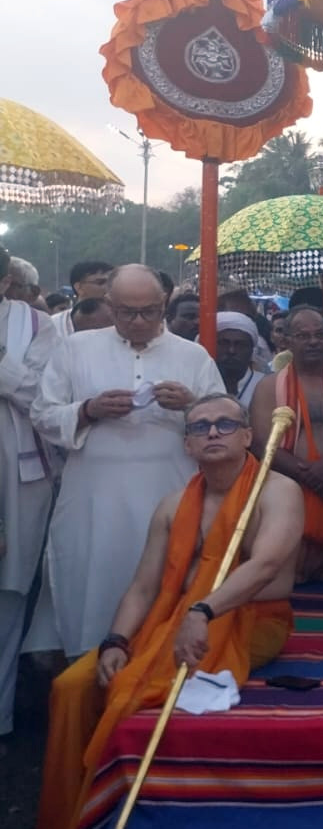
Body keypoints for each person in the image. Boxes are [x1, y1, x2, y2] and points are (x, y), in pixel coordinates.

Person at [36, 393, 303, 829]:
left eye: (225, 424)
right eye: (200, 427)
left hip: (250, 619)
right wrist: (115, 641)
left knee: (130, 695)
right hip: (175, 620)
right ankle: (70, 812)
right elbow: (143, 587)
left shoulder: (277, 491)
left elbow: (265, 567)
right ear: (187, 446)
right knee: (71, 687)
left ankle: (109, 808)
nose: (213, 432)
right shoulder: (174, 504)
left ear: (248, 436)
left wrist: (203, 610)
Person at [27, 265, 225, 658]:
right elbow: (42, 414)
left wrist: (190, 407)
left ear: (164, 304)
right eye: (127, 313)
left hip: (169, 494)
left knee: (166, 583)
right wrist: (88, 410)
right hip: (93, 501)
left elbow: (225, 424)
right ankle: (88, 674)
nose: (138, 321)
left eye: (149, 312)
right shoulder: (75, 348)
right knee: (94, 587)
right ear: (109, 306)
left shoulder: (193, 356)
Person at [251, 306, 323, 582]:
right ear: (287, 340)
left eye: (319, 334)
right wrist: (313, 476)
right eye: (303, 336)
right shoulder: (268, 387)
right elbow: (261, 444)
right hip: (290, 492)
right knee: (289, 577)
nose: (313, 341)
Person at [0, 247, 60, 744]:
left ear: (6, 282)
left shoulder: (40, 327)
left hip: (17, 478)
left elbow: (43, 399)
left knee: (8, 594)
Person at [215, 311, 264, 409]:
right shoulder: (203, 381)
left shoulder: (264, 385)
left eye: (240, 345)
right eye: (224, 343)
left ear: (251, 350)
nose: (231, 351)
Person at [53, 260, 113, 337]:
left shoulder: (124, 322)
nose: (108, 287)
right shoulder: (55, 325)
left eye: (112, 283)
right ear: (79, 287)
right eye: (100, 282)